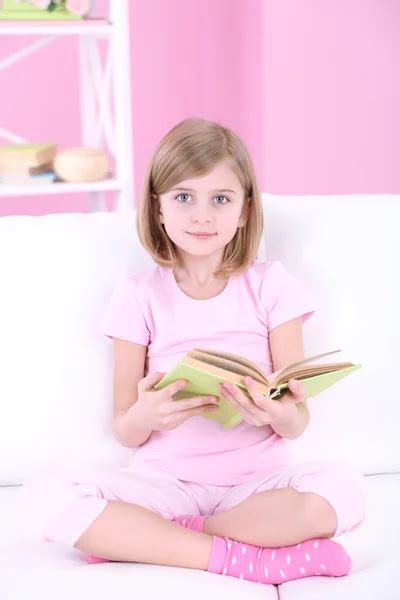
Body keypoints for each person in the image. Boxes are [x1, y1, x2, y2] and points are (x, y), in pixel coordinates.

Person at [21, 118, 366, 585]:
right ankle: (248, 560)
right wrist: (149, 414)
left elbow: (297, 421)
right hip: (166, 485)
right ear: (158, 208)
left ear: (244, 211)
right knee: (44, 494)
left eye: (220, 199)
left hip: (254, 488)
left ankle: (159, 539)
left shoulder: (271, 284)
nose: (202, 215)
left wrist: (271, 412)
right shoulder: (137, 295)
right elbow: (126, 429)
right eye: (184, 197)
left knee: (343, 490)